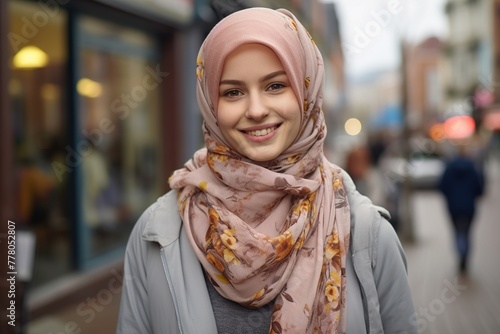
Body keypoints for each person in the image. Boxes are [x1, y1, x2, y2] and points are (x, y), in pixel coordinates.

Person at [117, 7, 417, 334]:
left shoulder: (368, 235)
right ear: (210, 104)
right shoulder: (157, 236)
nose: (257, 110)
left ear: (306, 91)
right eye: (232, 92)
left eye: (275, 86)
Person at [438, 144, 484, 273]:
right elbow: (480, 189)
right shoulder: (473, 168)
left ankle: (460, 252)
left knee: (457, 231)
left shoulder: (449, 168)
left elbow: (442, 186)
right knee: (467, 232)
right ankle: (465, 255)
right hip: (469, 207)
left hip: (453, 207)